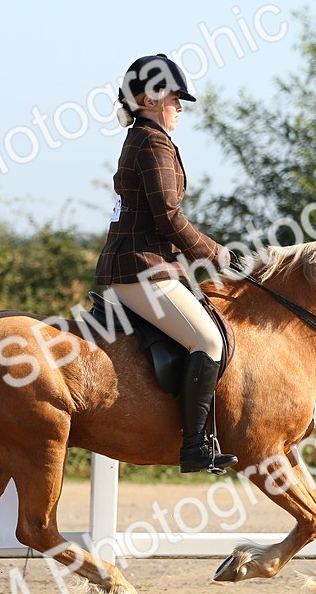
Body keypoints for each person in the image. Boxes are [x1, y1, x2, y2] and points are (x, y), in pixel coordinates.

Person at [94, 53, 238, 475]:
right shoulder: (152, 140)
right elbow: (168, 216)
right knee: (208, 342)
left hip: (146, 266)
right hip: (142, 269)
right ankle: (194, 445)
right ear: (153, 98)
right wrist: (216, 254)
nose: (180, 107)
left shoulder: (144, 137)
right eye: (176, 98)